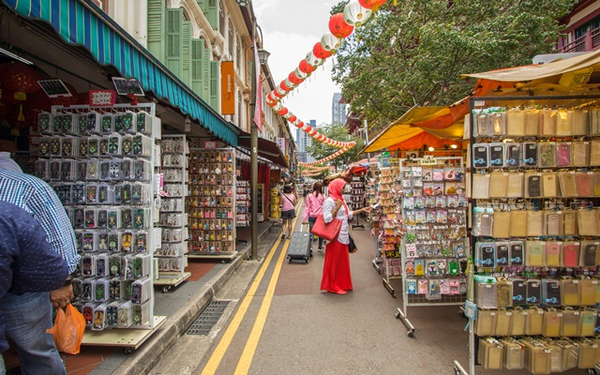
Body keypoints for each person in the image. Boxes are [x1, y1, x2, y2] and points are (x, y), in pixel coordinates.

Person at [0, 160, 79, 375]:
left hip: (23, 289)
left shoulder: (28, 187)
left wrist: (64, 281)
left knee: (35, 349)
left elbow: (58, 232)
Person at [320, 178, 371, 295]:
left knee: (342, 262)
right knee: (334, 262)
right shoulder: (329, 201)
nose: (344, 189)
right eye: (343, 187)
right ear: (336, 187)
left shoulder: (341, 200)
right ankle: (333, 286)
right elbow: (326, 218)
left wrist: (362, 209)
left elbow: (348, 214)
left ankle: (342, 283)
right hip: (334, 236)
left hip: (343, 235)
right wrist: (336, 208)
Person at [302, 181, 325, 251]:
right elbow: (325, 207)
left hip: (311, 216)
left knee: (311, 232)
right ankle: (320, 246)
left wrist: (304, 219)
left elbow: (307, 208)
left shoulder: (309, 196)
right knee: (321, 232)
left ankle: (311, 247)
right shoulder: (323, 196)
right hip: (320, 217)